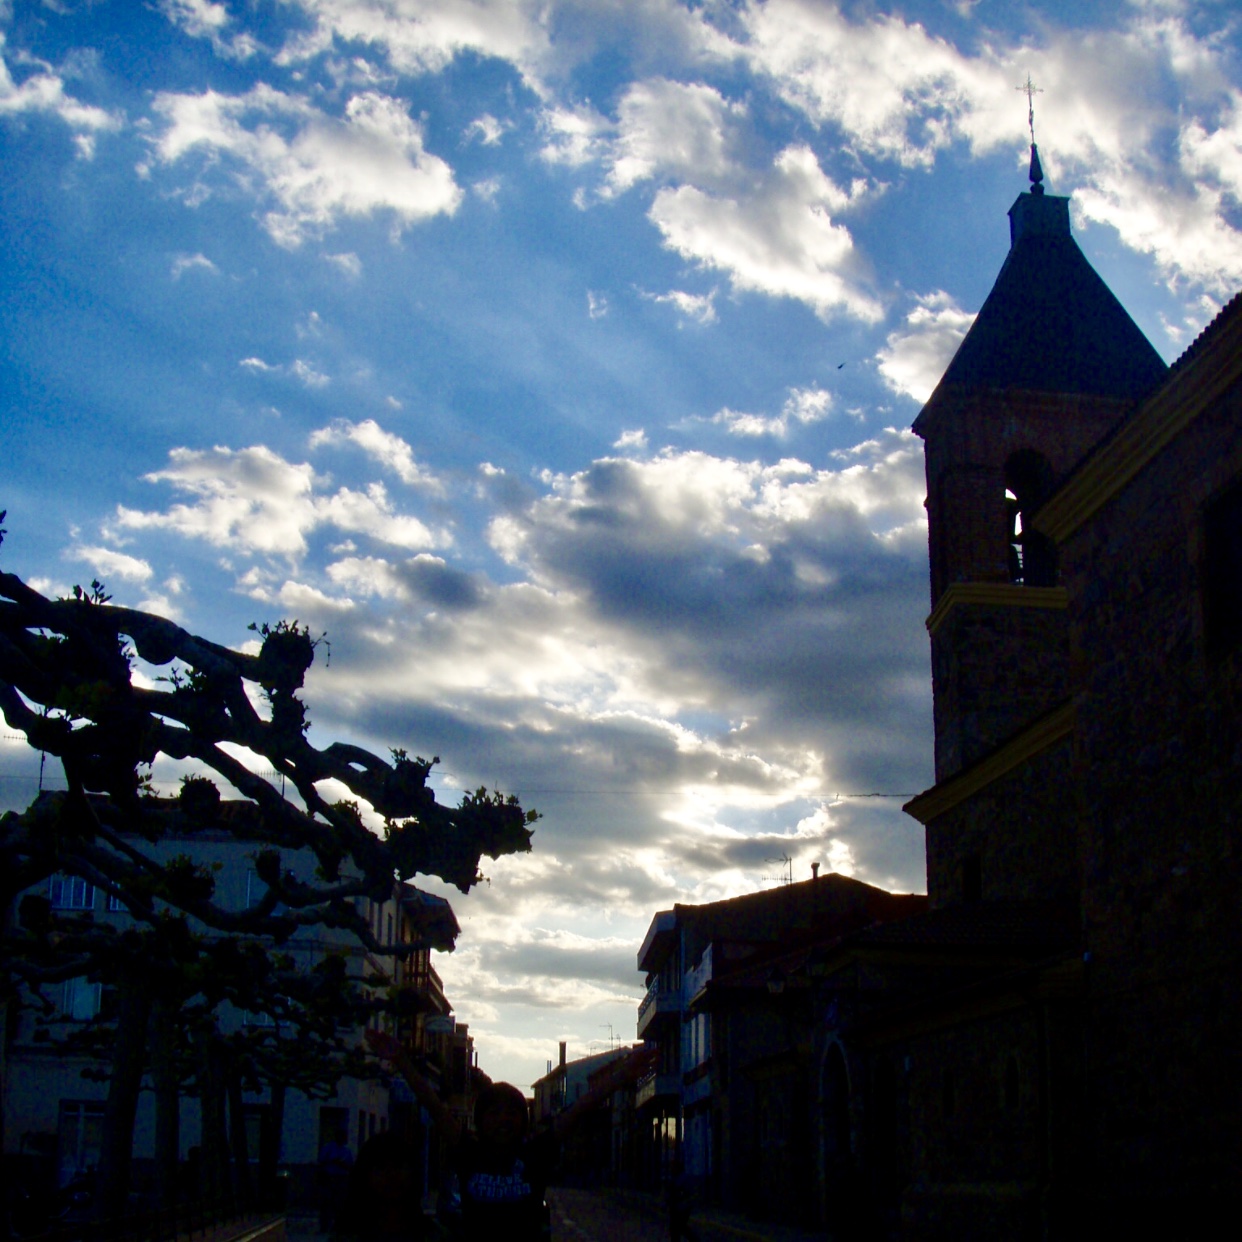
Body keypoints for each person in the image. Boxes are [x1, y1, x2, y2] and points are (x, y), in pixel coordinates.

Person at [367, 1030, 645, 1242]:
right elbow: (435, 1107)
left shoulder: (534, 1155)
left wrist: (622, 1076)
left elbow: (578, 1110)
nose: (503, 1120)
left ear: (522, 1120)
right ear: (481, 1120)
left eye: (511, 1112)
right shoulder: (469, 1153)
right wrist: (401, 1061)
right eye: (494, 1112)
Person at [333, 1131, 425, 1242]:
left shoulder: (432, 1235)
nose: (391, 1175)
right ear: (365, 1174)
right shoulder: (347, 1236)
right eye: (381, 1167)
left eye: (398, 1166)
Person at [317, 1125, 354, 1232]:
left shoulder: (347, 1151)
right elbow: (321, 1162)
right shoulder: (328, 1148)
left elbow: (350, 1166)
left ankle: (338, 1226)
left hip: (342, 1179)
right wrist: (332, 1162)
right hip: (329, 1179)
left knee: (340, 1204)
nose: (344, 1138)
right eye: (342, 1136)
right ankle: (325, 1226)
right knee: (327, 1203)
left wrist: (342, 1165)